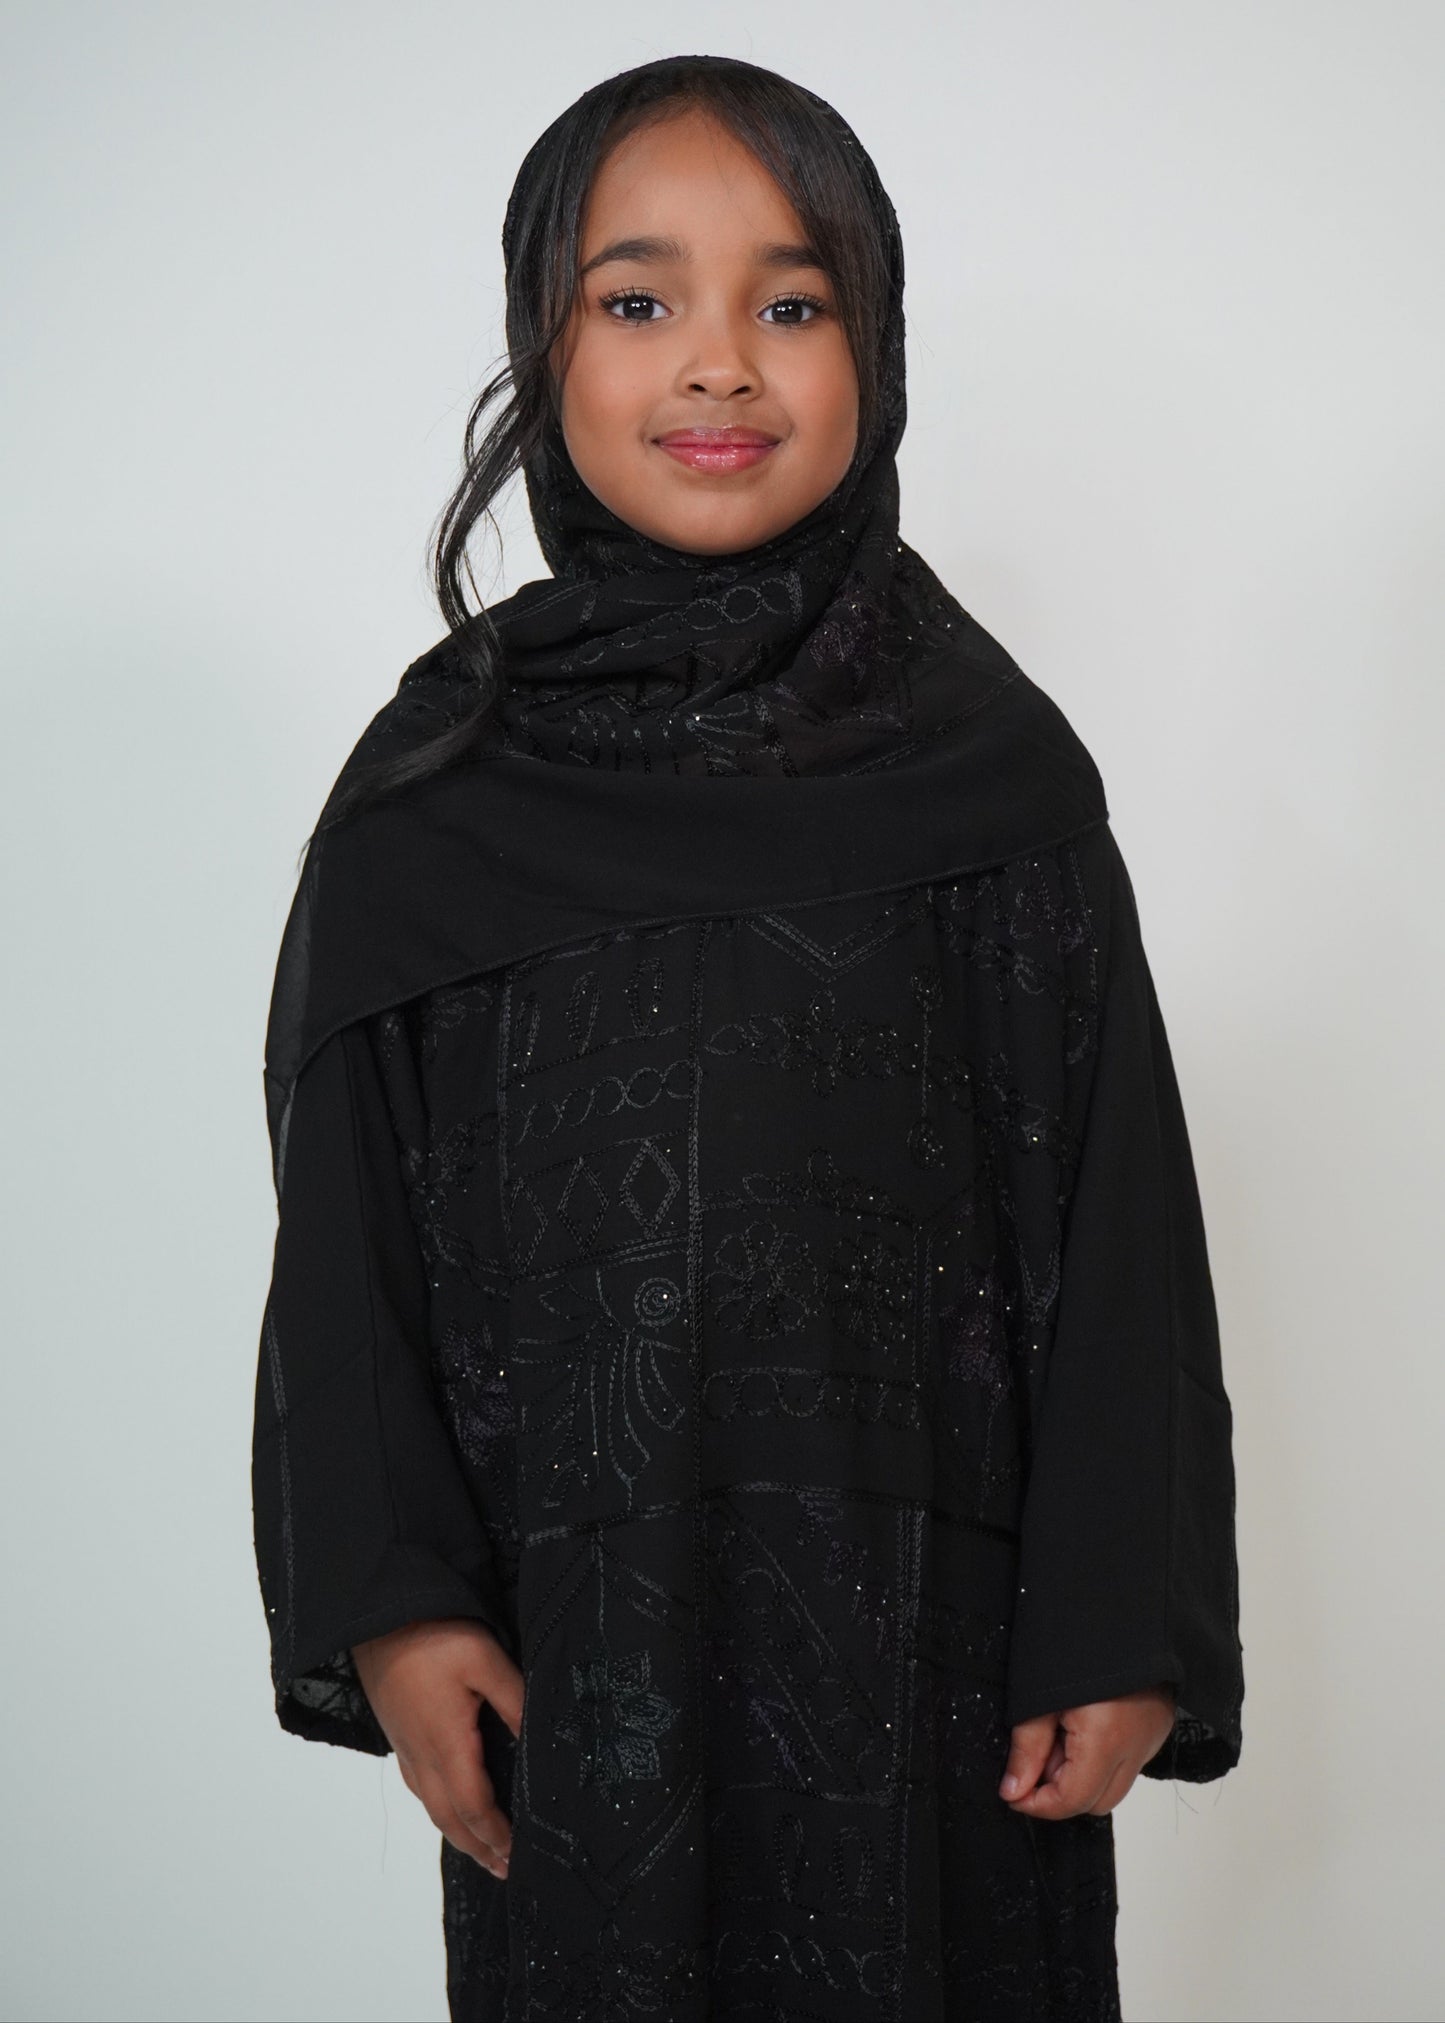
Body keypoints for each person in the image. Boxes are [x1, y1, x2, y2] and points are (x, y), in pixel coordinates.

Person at [251, 53, 1244, 2023]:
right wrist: (395, 1600)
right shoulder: (434, 794)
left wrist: (1121, 1618)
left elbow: (1119, 1217)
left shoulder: (993, 770)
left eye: (791, 305)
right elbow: (346, 1242)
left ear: (876, 348)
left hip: (945, 1664)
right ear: (542, 348)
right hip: (581, 1647)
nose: (719, 362)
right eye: (638, 301)